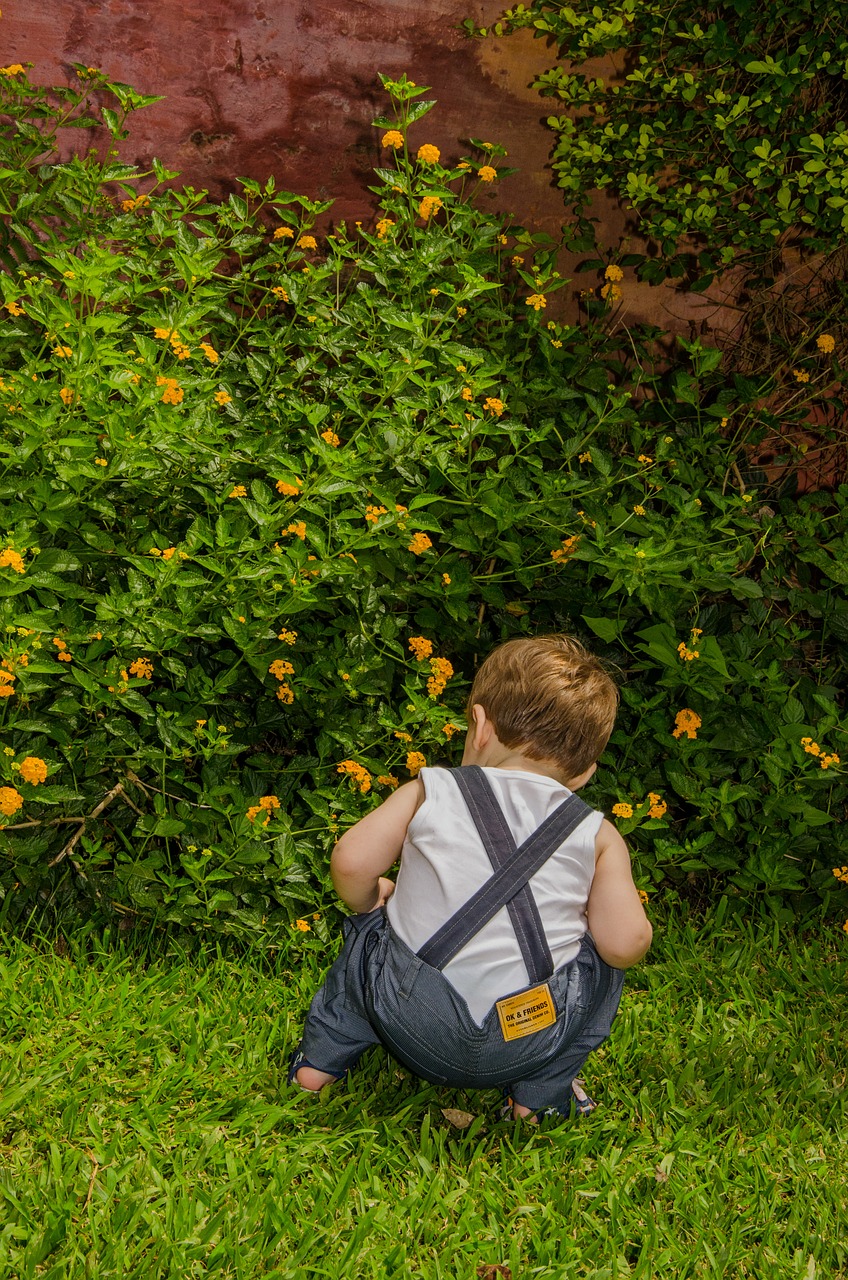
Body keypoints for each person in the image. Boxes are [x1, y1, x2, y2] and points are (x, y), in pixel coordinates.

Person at [290, 634, 652, 1120]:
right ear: (585, 774)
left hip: (407, 1014)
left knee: (368, 928)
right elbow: (627, 943)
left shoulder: (431, 789)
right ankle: (538, 1099)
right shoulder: (597, 833)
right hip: (529, 1033)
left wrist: (372, 900)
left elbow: (352, 863)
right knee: (605, 966)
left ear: (479, 726)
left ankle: (320, 1063)